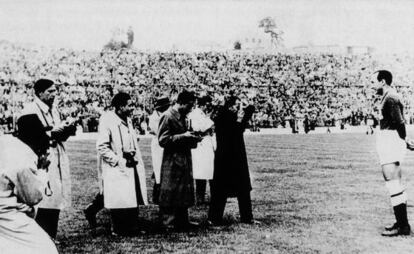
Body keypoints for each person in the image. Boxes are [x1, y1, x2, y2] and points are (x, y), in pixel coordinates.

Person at [19, 79, 76, 239]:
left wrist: (66, 130)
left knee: (55, 198)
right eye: (50, 91)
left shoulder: (54, 110)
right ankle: (40, 238)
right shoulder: (29, 110)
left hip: (55, 157)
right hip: (39, 161)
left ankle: (50, 236)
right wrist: (52, 134)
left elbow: (55, 132)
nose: (54, 94)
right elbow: (29, 137)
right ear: (39, 92)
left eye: (55, 91)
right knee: (42, 200)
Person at [0, 114, 57, 254]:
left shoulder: (7, 140)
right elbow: (32, 197)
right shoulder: (24, 157)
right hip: (6, 214)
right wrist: (42, 170)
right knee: (47, 249)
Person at [96, 92, 148, 236]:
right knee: (118, 197)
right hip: (117, 165)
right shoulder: (107, 120)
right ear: (120, 106)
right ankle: (118, 228)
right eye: (129, 105)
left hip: (131, 162)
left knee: (132, 194)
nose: (132, 108)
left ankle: (132, 226)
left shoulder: (128, 120)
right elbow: (102, 147)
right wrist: (118, 160)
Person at [372, 70, 411, 236]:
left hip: (391, 142)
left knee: (393, 183)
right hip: (389, 141)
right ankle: (401, 223)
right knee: (392, 183)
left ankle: (402, 226)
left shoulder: (390, 97)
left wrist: (404, 140)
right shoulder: (387, 96)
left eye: (374, 81)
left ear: (382, 81)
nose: (372, 85)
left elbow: (399, 122)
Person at [208, 95, 257, 225]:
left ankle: (217, 218)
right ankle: (217, 218)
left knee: (235, 189)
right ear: (230, 106)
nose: (238, 108)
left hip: (229, 157)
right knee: (230, 189)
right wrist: (243, 115)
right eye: (236, 105)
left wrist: (245, 113)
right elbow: (237, 130)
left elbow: (240, 124)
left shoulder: (224, 115)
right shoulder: (225, 117)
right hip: (229, 157)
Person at [157, 90, 202, 231]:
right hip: (172, 160)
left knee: (184, 190)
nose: (191, 109)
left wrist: (194, 138)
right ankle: (168, 222)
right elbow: (163, 140)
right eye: (189, 105)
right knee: (170, 190)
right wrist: (184, 136)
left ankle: (182, 221)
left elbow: (184, 137)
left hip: (184, 158)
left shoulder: (183, 117)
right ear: (180, 102)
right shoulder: (167, 116)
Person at [188, 95, 215, 205]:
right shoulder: (195, 114)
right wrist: (209, 119)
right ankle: (199, 198)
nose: (208, 107)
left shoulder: (202, 114)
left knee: (207, 171)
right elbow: (199, 128)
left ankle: (204, 196)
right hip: (200, 144)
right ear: (203, 104)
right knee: (201, 173)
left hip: (206, 143)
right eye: (207, 105)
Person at [148, 96, 170, 204]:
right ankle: (157, 195)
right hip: (158, 143)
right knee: (158, 169)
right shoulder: (154, 117)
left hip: (162, 143)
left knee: (163, 168)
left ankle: (161, 194)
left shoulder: (162, 115)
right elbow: (159, 131)